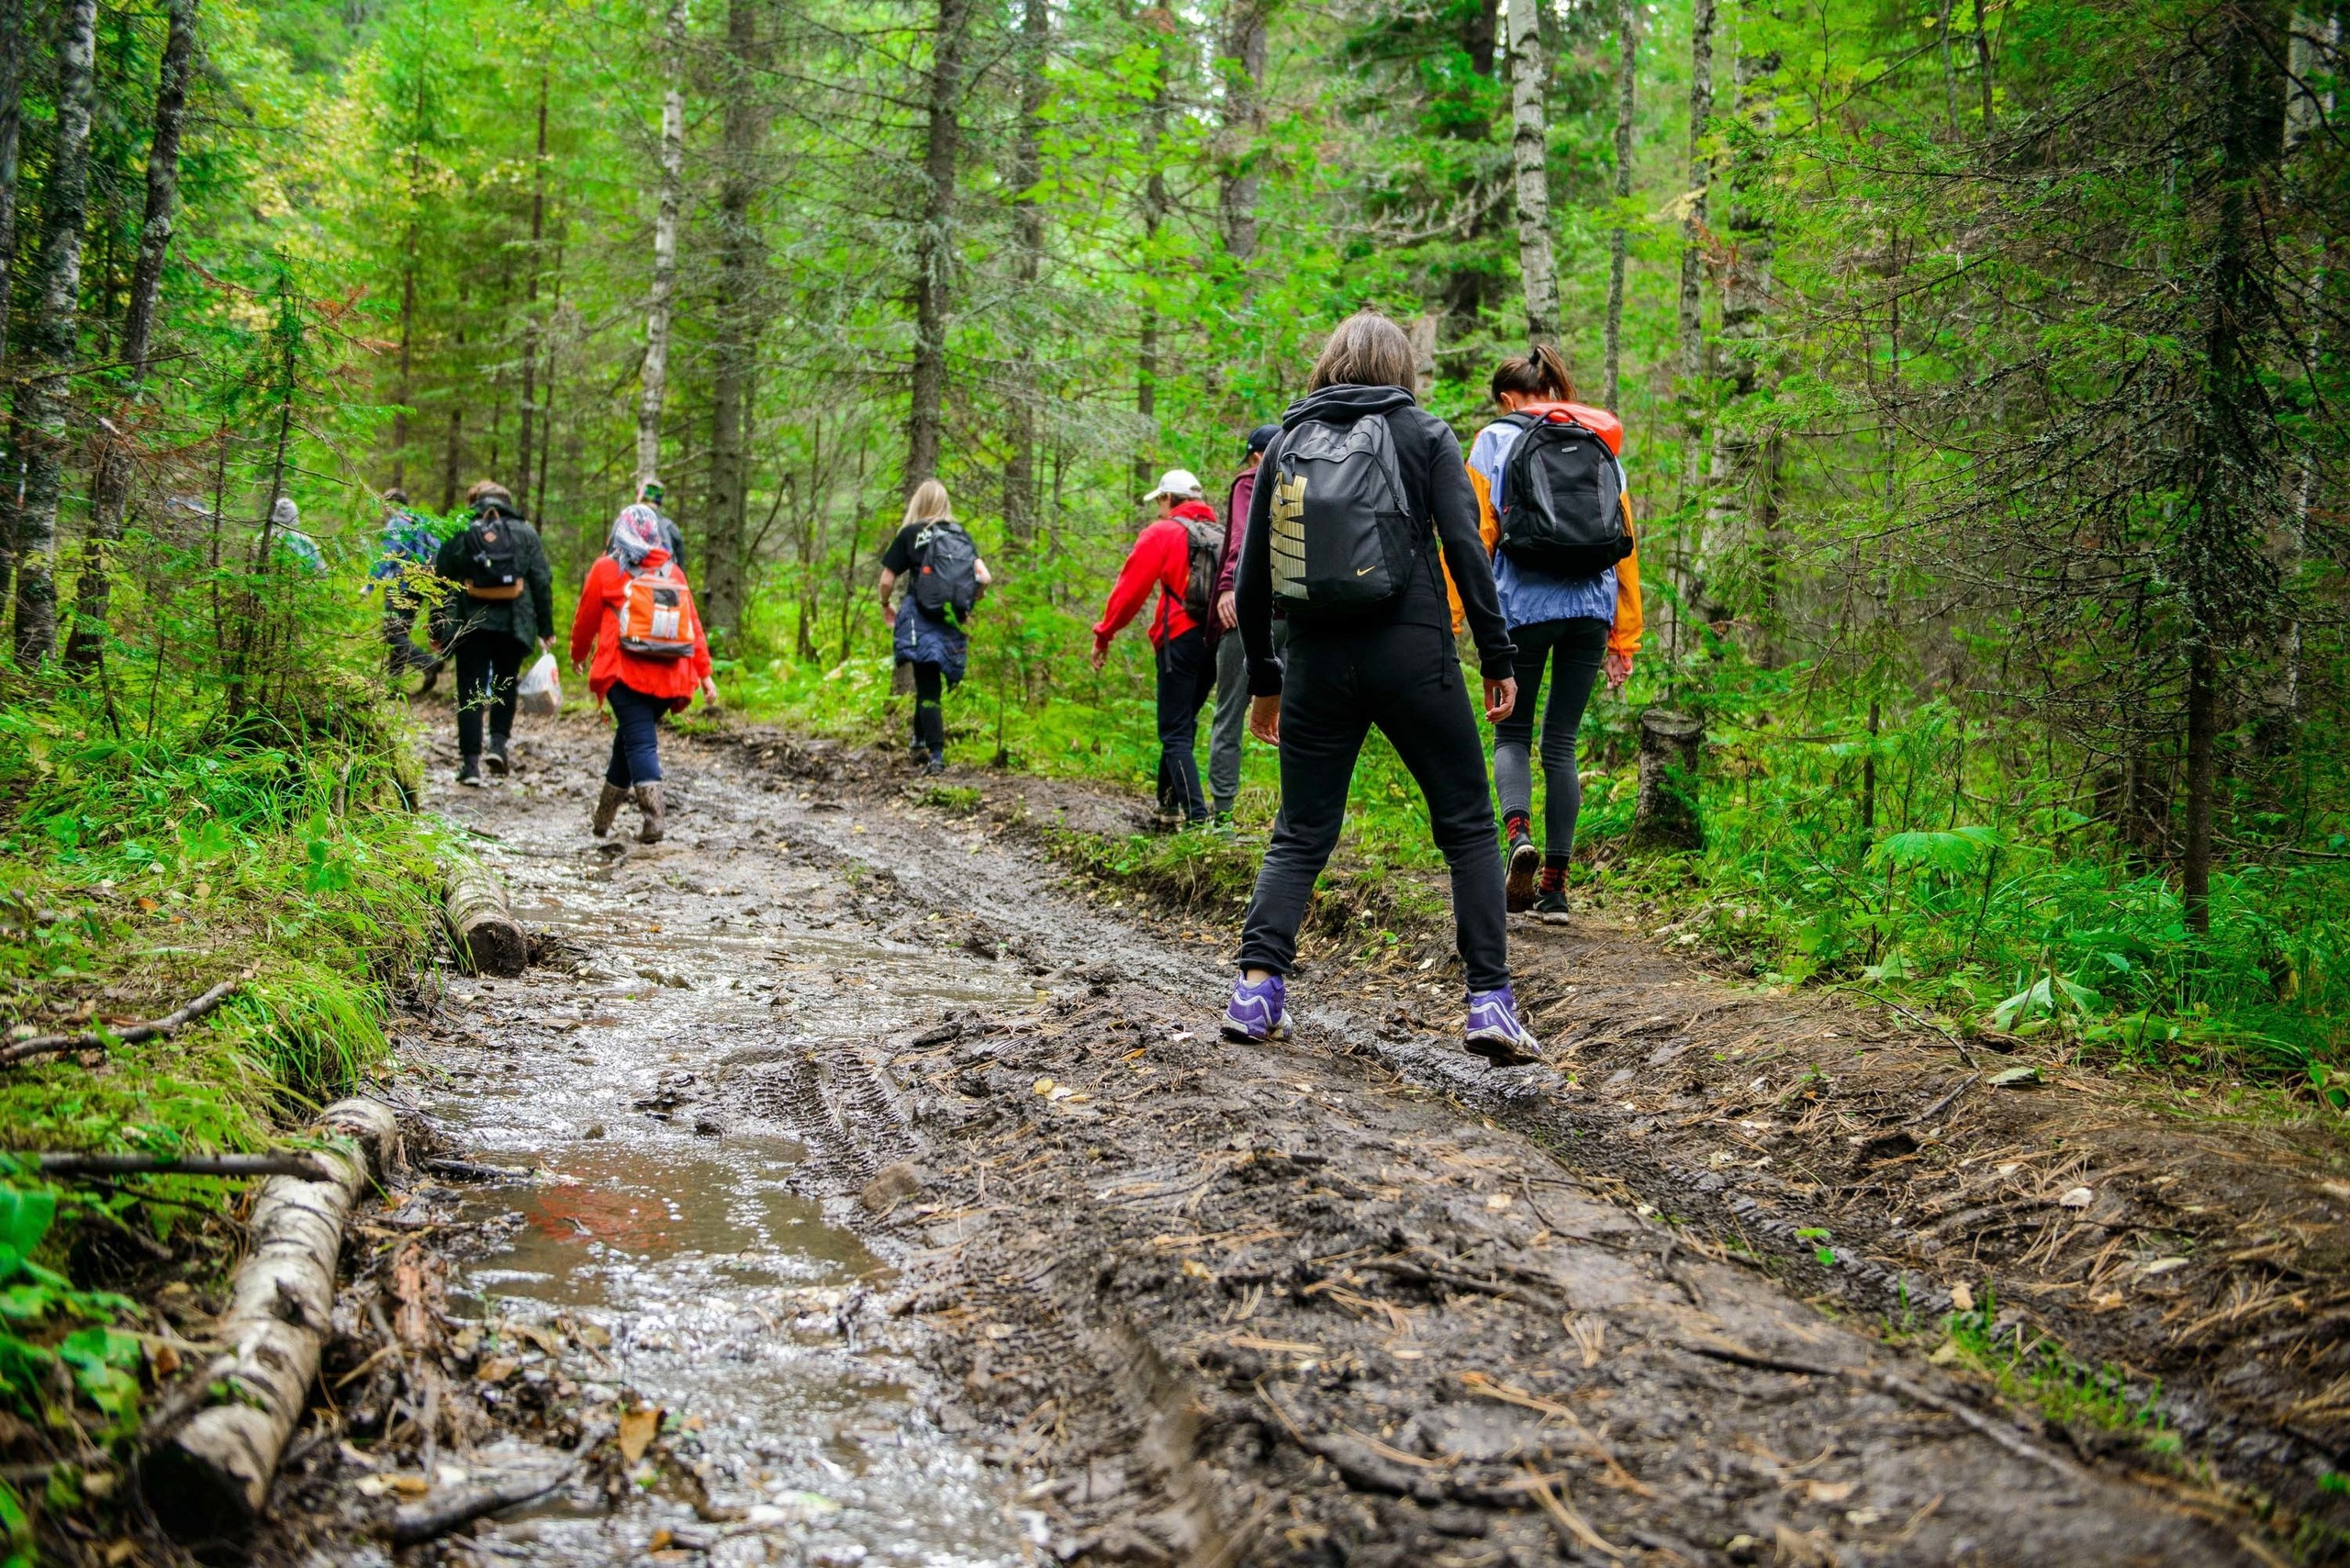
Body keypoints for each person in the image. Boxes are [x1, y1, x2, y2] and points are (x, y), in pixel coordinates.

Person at [1225, 309, 1541, 1065]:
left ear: (1330, 361)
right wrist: (1497, 657)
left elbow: (1254, 574)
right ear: (1400, 369)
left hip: (1316, 665)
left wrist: (1266, 679)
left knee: (1301, 831)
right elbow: (1465, 548)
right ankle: (1489, 1003)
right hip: (1414, 658)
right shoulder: (1425, 434)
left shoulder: (1287, 440)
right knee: (1466, 825)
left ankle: (1257, 990)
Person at [1468, 345, 1642, 924]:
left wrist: (1455, 617)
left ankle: (1518, 836)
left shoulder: (1495, 439)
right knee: (1561, 743)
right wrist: (1625, 639)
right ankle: (1557, 889)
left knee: (1512, 735)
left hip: (1521, 609)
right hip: (1590, 609)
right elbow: (1626, 544)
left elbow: (1478, 536)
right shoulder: (1600, 440)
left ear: (1508, 399)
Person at [570, 503, 718, 843]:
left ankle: (654, 821)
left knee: (640, 743)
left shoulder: (607, 569)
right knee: (630, 741)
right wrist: (704, 674)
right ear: (654, 534)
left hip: (624, 674)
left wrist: (578, 654)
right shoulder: (673, 572)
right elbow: (693, 625)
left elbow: (586, 619)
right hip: (670, 676)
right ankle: (602, 820)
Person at [1092, 469, 1224, 828]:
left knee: (1174, 730)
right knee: (1184, 721)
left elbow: (1129, 591)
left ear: (1169, 499)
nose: (1159, 509)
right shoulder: (1222, 534)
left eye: (1160, 502)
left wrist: (1105, 633)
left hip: (1178, 639)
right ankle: (1166, 805)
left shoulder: (1163, 532)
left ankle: (1196, 820)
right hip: (1216, 641)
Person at [431, 480, 554, 786]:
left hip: (470, 622)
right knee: (505, 683)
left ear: (474, 500)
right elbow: (541, 580)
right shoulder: (526, 533)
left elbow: (440, 579)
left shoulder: (460, 530)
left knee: (470, 690)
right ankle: (498, 745)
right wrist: (546, 628)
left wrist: (437, 626)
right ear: (506, 501)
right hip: (514, 623)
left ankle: (470, 764)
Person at [877, 479, 992, 775]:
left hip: (920, 614)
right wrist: (970, 599)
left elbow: (887, 580)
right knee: (927, 676)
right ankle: (917, 739)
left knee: (927, 683)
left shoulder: (912, 534)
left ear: (919, 503)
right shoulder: (959, 534)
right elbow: (984, 577)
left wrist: (885, 604)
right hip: (950, 618)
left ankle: (936, 755)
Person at [1206, 424, 1280, 823]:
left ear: (1255, 455)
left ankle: (1222, 816)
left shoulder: (1250, 481)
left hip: (1249, 611)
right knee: (1301, 715)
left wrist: (1227, 588)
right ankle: (1297, 820)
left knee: (1230, 711)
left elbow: (1240, 537)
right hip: (1298, 613)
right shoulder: (1312, 474)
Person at [366, 487, 442, 689]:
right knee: (401, 633)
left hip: (399, 585)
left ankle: (427, 663)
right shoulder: (422, 522)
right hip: (422, 585)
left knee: (391, 633)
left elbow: (389, 555)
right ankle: (393, 687)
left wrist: (370, 585)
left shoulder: (396, 523)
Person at [636, 477, 688, 568]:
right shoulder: (671, 529)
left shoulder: (624, 523)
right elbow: (681, 571)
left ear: (640, 496)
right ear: (659, 502)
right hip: (663, 580)